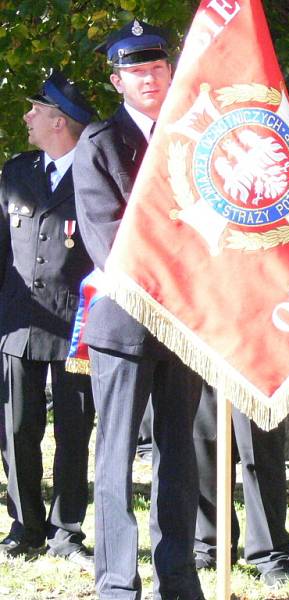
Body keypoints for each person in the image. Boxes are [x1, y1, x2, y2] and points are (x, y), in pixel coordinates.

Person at [73, 20, 204, 599]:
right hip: (125, 326)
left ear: (170, 72)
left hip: (189, 329)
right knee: (117, 458)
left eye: (156, 67)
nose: (149, 78)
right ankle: (117, 581)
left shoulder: (196, 139)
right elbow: (111, 242)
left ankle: (177, 576)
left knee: (179, 460)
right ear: (116, 80)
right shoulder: (99, 144)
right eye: (136, 71)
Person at [0, 71, 95, 570]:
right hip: (19, 323)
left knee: (75, 432)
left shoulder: (98, 171)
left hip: (76, 327)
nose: (27, 117)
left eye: (35, 110)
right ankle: (25, 526)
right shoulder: (16, 172)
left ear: (59, 121)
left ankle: (66, 531)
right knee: (17, 429)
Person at [192, 383, 289, 589]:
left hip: (253, 359)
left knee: (259, 445)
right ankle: (210, 544)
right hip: (207, 352)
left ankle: (270, 552)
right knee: (204, 441)